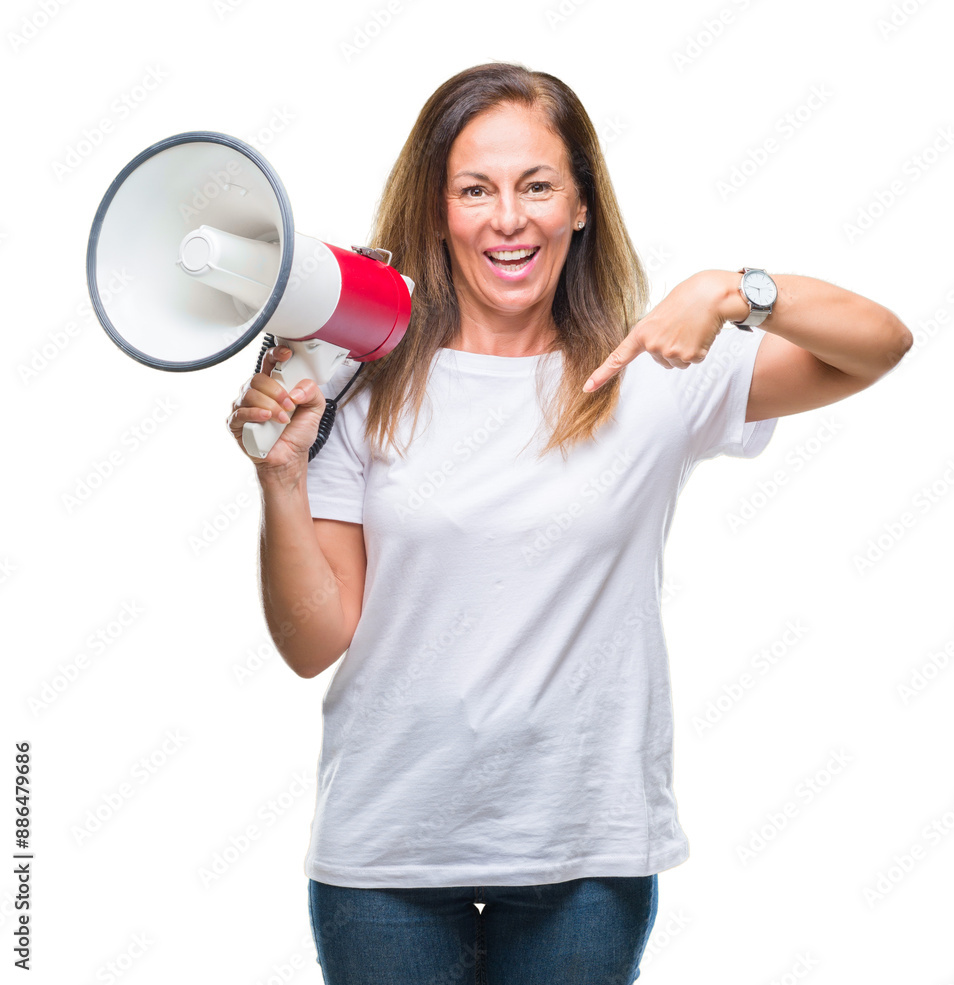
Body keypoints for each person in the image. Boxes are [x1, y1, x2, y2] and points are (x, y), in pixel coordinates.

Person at [227, 61, 912, 985]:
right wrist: (282, 477)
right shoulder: (362, 382)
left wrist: (732, 288)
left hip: (587, 854)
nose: (508, 218)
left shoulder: (657, 372)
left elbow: (880, 344)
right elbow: (315, 642)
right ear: (438, 212)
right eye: (476, 189)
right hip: (386, 857)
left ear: (581, 205)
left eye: (537, 185)